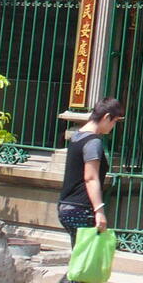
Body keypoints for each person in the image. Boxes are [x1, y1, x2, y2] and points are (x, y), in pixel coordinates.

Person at [58, 98, 124, 235]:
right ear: (106, 117)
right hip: (82, 208)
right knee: (88, 255)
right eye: (114, 121)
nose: (113, 126)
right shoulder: (93, 142)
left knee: (81, 254)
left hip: (66, 205)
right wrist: (99, 211)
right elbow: (91, 178)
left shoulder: (76, 137)